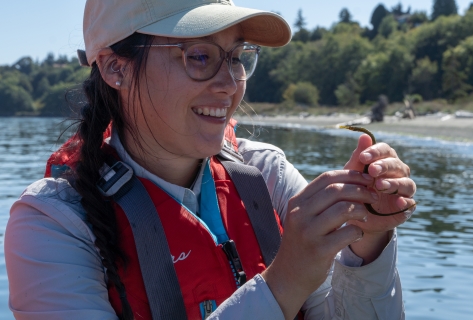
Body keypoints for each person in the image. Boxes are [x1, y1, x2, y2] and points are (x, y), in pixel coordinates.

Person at [4, 0, 416, 319]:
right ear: (116, 68)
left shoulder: (267, 175)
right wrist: (285, 280)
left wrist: (367, 246)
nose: (229, 84)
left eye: (236, 56)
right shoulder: (51, 223)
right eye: (199, 56)